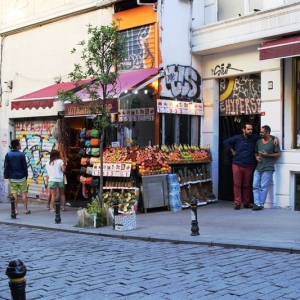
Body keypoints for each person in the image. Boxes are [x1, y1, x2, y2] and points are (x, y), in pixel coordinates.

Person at [223, 123, 277, 210]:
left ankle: (246, 202)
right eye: (248, 129)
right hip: (237, 163)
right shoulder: (237, 138)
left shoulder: (254, 138)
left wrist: (275, 138)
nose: (250, 131)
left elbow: (266, 135)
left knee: (247, 184)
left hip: (248, 164)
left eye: (251, 129)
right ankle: (237, 202)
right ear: (243, 130)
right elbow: (226, 142)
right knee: (237, 184)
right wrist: (232, 150)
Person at [252, 125, 281, 211]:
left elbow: (278, 154)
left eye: (262, 132)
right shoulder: (258, 142)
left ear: (268, 132)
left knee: (263, 186)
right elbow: (255, 152)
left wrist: (267, 155)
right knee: (255, 185)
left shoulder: (273, 142)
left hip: (268, 167)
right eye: (260, 132)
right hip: (258, 167)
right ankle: (257, 203)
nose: (260, 133)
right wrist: (256, 157)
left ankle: (260, 204)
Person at [4, 139, 30, 214]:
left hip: (12, 178)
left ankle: (15, 210)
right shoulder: (21, 155)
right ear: (17, 145)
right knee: (23, 193)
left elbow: (6, 166)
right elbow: (25, 166)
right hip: (22, 177)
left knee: (14, 194)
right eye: (19, 144)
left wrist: (6, 176)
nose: (20, 145)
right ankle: (25, 210)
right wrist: (26, 175)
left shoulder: (8, 154)